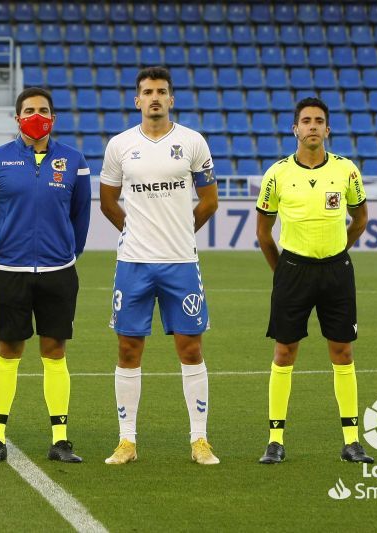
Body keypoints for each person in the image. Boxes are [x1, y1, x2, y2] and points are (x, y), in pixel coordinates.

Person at [99, 66, 220, 466]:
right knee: (129, 348)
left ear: (171, 99)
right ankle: (126, 441)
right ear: (137, 100)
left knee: (190, 347)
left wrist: (183, 232)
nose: (154, 97)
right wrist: (131, 232)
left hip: (181, 263)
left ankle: (199, 440)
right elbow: (108, 201)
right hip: (133, 262)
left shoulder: (192, 142)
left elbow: (209, 201)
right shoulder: (119, 146)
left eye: (161, 91)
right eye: (147, 92)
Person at [0, 88, 92, 464]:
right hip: (10, 271)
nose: (35, 115)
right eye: (29, 110)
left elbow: (81, 216)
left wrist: (67, 251)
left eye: (42, 110)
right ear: (17, 117)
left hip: (59, 271)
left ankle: (60, 439)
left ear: (53, 118)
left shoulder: (74, 161)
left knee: (54, 351)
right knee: (8, 350)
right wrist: (1, 253)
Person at [255, 97, 374, 464]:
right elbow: (263, 233)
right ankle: (275, 441)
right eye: (305, 120)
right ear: (294, 128)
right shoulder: (277, 174)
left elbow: (360, 218)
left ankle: (352, 441)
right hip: (293, 270)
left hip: (336, 270)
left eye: (318, 121)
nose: (312, 126)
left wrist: (340, 249)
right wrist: (283, 271)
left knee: (342, 351)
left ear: (327, 129)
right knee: (284, 352)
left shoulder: (346, 171)